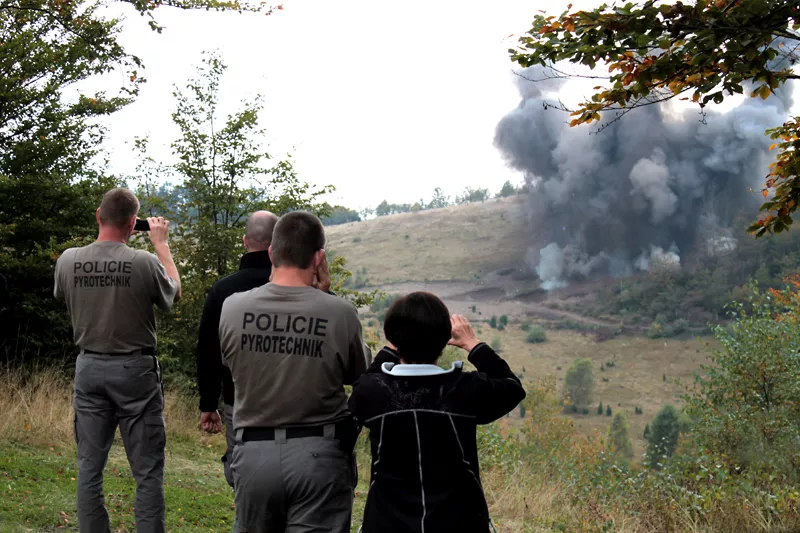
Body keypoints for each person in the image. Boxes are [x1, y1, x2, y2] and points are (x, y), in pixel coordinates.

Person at [218, 211, 370, 533]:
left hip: (253, 454)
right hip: (319, 456)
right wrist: (324, 296)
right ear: (318, 258)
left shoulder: (232, 307)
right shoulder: (341, 313)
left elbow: (232, 364)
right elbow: (360, 373)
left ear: (271, 252)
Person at [54, 188, 181, 533]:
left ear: (99, 215)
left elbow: (62, 295)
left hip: (89, 366)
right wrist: (161, 245)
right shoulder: (143, 262)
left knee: (89, 467)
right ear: (132, 223)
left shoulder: (68, 260)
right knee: (147, 470)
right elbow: (173, 294)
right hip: (135, 370)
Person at [348, 292, 526, 533]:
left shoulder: (374, 391)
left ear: (392, 337)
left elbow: (363, 384)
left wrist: (393, 347)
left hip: (387, 523)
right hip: (459, 523)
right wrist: (473, 344)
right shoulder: (464, 390)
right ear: (444, 339)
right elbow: (512, 387)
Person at [196, 210, 279, 488]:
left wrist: (209, 403)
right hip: (290, 405)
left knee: (243, 476)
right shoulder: (297, 288)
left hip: (238, 400)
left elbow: (209, 351)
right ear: (277, 244)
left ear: (245, 241)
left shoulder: (224, 290)